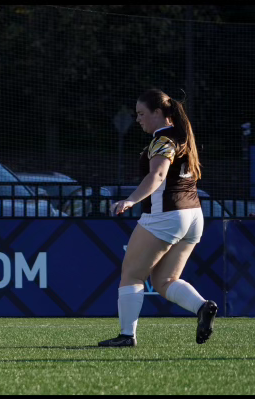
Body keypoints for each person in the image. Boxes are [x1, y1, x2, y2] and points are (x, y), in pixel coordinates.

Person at [98, 88, 217, 347]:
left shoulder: (162, 140)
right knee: (164, 281)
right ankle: (202, 307)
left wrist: (130, 199)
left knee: (131, 275)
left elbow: (158, 176)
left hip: (167, 215)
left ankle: (127, 335)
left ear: (159, 112)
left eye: (142, 113)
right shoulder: (182, 137)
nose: (138, 119)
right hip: (194, 216)